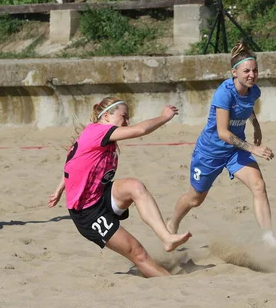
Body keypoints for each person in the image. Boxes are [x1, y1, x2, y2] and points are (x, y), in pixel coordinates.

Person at [48, 97, 192, 277]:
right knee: (138, 253)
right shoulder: (98, 132)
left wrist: (59, 189)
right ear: (107, 116)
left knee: (134, 185)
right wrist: (164, 117)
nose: (127, 121)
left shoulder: (93, 133)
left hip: (101, 195)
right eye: (124, 116)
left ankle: (166, 238)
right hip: (88, 212)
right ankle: (170, 283)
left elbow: (72, 162)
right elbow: (141, 129)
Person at [167, 41, 276, 248]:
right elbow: (222, 133)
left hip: (235, 151)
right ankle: (172, 223)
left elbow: (248, 108)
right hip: (210, 152)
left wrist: (256, 125)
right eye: (246, 71)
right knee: (195, 199)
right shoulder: (224, 93)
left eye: (255, 70)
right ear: (234, 72)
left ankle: (268, 237)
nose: (252, 75)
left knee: (258, 185)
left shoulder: (253, 90)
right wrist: (253, 148)